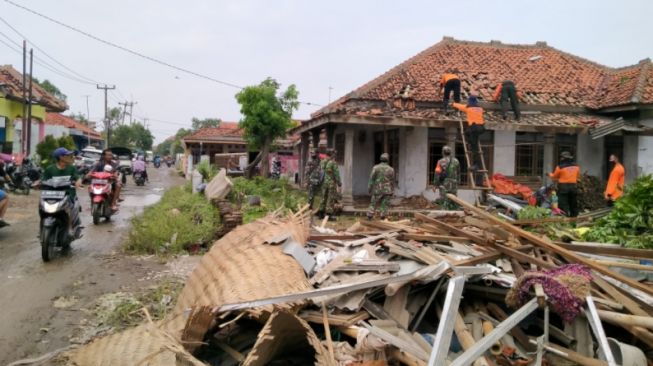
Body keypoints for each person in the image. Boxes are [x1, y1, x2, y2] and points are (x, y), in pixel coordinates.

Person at [41, 147, 83, 230]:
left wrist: (78, 182)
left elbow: (77, 178)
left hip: (69, 194)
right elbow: (43, 180)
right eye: (68, 155)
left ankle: (72, 228)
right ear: (61, 157)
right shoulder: (50, 169)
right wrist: (38, 184)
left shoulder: (71, 168)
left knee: (73, 209)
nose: (70, 157)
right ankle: (42, 227)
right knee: (42, 207)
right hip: (52, 195)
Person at [452, 95, 485, 170]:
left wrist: (453, 104)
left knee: (474, 148)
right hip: (481, 128)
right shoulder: (480, 109)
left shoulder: (468, 108)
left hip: (474, 128)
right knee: (467, 132)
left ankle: (476, 165)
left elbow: (459, 106)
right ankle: (470, 142)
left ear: (469, 101)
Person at [549, 151, 580, 217]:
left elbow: (554, 177)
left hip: (563, 187)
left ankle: (564, 218)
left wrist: (550, 174)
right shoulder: (576, 166)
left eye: (561, 157)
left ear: (563, 158)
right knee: (573, 203)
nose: (560, 159)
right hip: (573, 187)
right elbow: (577, 177)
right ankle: (574, 218)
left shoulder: (560, 167)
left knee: (563, 203)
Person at [367, 153, 395, 220]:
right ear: (388, 160)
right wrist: (392, 190)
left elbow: (371, 179)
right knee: (384, 205)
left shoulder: (375, 168)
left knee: (373, 203)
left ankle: (370, 216)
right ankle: (382, 217)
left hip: (377, 190)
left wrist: (369, 188)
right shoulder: (391, 169)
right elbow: (392, 181)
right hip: (387, 190)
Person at [433, 146, 460, 210]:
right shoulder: (456, 161)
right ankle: (454, 213)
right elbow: (458, 172)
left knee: (444, 199)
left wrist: (435, 185)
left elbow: (437, 174)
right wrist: (458, 182)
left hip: (444, 184)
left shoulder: (440, 162)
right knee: (453, 199)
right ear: (450, 152)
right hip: (454, 183)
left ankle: (444, 212)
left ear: (443, 152)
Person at [318, 149, 341, 219]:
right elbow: (336, 174)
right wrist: (339, 183)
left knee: (323, 197)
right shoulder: (333, 163)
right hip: (331, 183)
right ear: (332, 154)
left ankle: (321, 213)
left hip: (323, 183)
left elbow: (320, 172)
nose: (335, 155)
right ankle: (328, 215)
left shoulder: (322, 162)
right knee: (330, 198)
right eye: (334, 154)